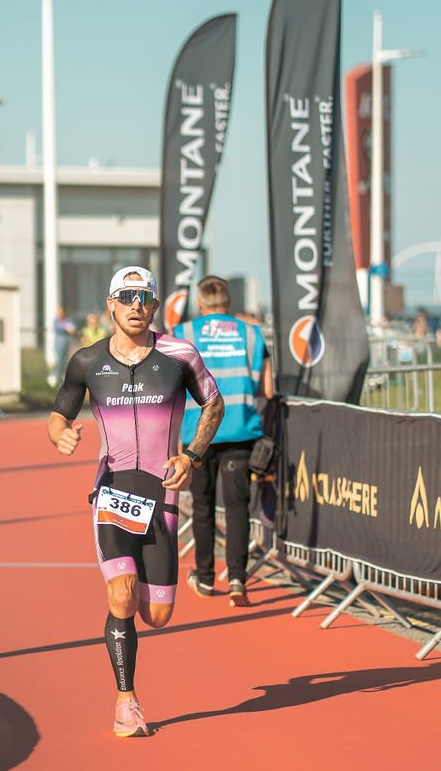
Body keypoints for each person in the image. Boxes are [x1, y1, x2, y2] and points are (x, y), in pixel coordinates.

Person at [47, 265, 223, 737]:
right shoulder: (86, 361)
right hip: (112, 492)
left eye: (144, 298)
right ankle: (126, 702)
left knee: (158, 615)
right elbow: (58, 414)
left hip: (162, 494)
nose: (136, 306)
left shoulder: (180, 355)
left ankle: (135, 619)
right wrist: (60, 434)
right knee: (120, 594)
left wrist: (192, 455)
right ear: (111, 304)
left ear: (155, 305)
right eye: (126, 298)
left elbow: (213, 403)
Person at [172, 276, 273, 608]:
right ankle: (237, 580)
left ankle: (204, 577)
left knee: (202, 506)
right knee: (237, 507)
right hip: (240, 430)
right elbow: (267, 390)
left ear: (200, 304)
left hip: (198, 434)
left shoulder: (183, 333)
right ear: (229, 303)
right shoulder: (251, 334)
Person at [52, 305, 77, 378]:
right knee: (60, 361)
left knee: (66, 361)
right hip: (59, 344)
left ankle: (64, 376)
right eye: (58, 310)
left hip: (67, 344)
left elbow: (73, 328)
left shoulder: (68, 320)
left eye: (61, 310)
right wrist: (66, 328)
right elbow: (59, 328)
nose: (60, 312)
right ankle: (56, 375)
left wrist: (71, 329)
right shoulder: (56, 321)